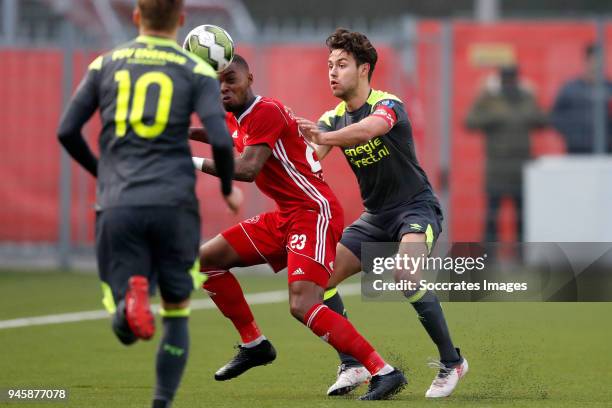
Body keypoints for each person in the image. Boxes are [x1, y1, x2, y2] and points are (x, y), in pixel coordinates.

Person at [190, 54, 407, 400]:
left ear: (250, 77)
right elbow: (221, 133)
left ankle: (383, 370)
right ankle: (255, 344)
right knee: (206, 260)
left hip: (312, 212)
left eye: (230, 79)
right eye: (216, 82)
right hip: (286, 216)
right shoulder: (239, 116)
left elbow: (247, 169)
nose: (223, 87)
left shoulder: (265, 111)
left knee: (303, 303)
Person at [56, 1, 240, 407]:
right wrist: (228, 187)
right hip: (174, 204)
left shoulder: (105, 64)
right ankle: (161, 402)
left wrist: (102, 171)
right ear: (180, 21)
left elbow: (67, 130)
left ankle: (128, 303)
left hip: (117, 201)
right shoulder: (195, 69)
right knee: (176, 311)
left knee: (122, 321)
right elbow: (223, 140)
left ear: (136, 18)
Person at [296, 28, 468, 399]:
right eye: (329, 65)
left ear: (364, 69)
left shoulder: (388, 105)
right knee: (317, 280)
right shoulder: (331, 118)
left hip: (416, 209)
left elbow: (368, 131)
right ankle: (352, 363)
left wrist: (322, 139)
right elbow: (309, 158)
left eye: (341, 64)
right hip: (375, 217)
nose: (332, 72)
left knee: (406, 275)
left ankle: (451, 361)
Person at [466, 65, 547, 243]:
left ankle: (523, 255)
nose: (510, 83)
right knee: (493, 212)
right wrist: (484, 98)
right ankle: (489, 255)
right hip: (497, 165)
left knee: (522, 214)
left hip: (521, 164)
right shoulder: (490, 99)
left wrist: (534, 96)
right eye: (506, 79)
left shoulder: (526, 98)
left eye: (512, 79)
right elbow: (470, 121)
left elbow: (542, 121)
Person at [551, 43, 612, 154]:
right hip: (577, 151)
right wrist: (573, 136)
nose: (597, 66)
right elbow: (556, 117)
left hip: (607, 151)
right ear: (586, 62)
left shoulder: (609, 88)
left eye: (601, 62)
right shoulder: (570, 89)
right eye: (594, 61)